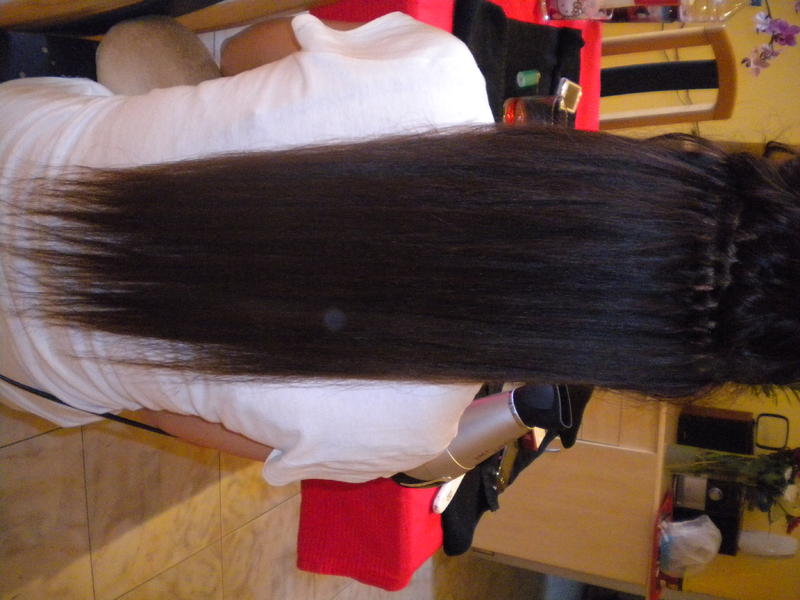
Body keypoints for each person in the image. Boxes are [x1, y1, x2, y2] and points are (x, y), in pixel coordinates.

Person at [1, 13, 799, 486]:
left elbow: (242, 50)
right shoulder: (403, 438)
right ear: (630, 360)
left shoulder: (432, 76)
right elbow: (163, 415)